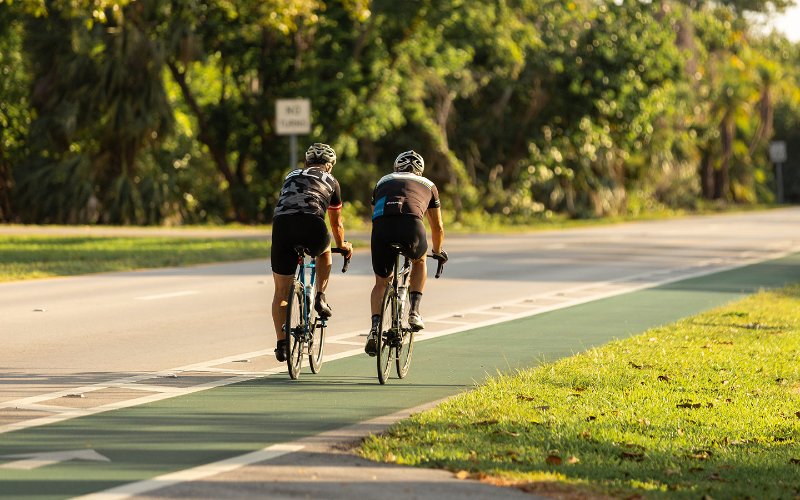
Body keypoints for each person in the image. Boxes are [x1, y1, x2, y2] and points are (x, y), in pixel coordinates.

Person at [271, 143, 353, 362]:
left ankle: (282, 344)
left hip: (282, 226)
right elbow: (336, 224)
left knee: (280, 292)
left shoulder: (290, 175)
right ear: (330, 165)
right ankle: (320, 297)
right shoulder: (332, 181)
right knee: (324, 249)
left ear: (306, 162)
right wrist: (343, 245)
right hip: (311, 223)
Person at [365, 150, 448, 356]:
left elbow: (375, 213)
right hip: (411, 226)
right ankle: (414, 311)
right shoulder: (429, 184)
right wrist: (437, 251)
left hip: (382, 228)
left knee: (381, 282)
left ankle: (374, 330)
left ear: (396, 168)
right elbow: (437, 227)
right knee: (419, 261)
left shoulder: (383, 181)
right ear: (420, 171)